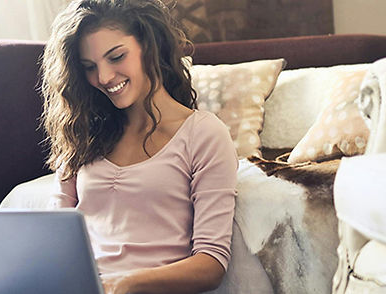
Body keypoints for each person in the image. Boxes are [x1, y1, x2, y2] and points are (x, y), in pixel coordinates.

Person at [40, 0, 239, 293]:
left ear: (150, 45)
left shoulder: (204, 134)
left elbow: (211, 263)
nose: (104, 77)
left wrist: (124, 284)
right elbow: (56, 237)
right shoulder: (84, 133)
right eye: (89, 67)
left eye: (117, 57)